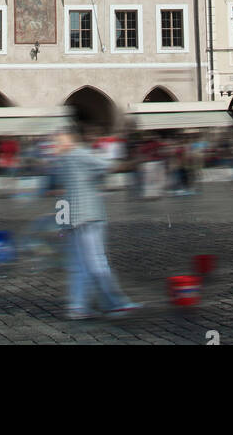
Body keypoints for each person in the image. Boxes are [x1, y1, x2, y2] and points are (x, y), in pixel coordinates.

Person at [55, 125, 141, 320]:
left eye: (59, 139)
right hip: (87, 216)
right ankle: (115, 304)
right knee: (96, 262)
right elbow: (108, 166)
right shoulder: (79, 154)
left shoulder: (62, 160)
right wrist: (135, 162)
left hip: (71, 218)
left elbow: (66, 184)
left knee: (79, 265)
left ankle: (77, 308)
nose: (57, 143)